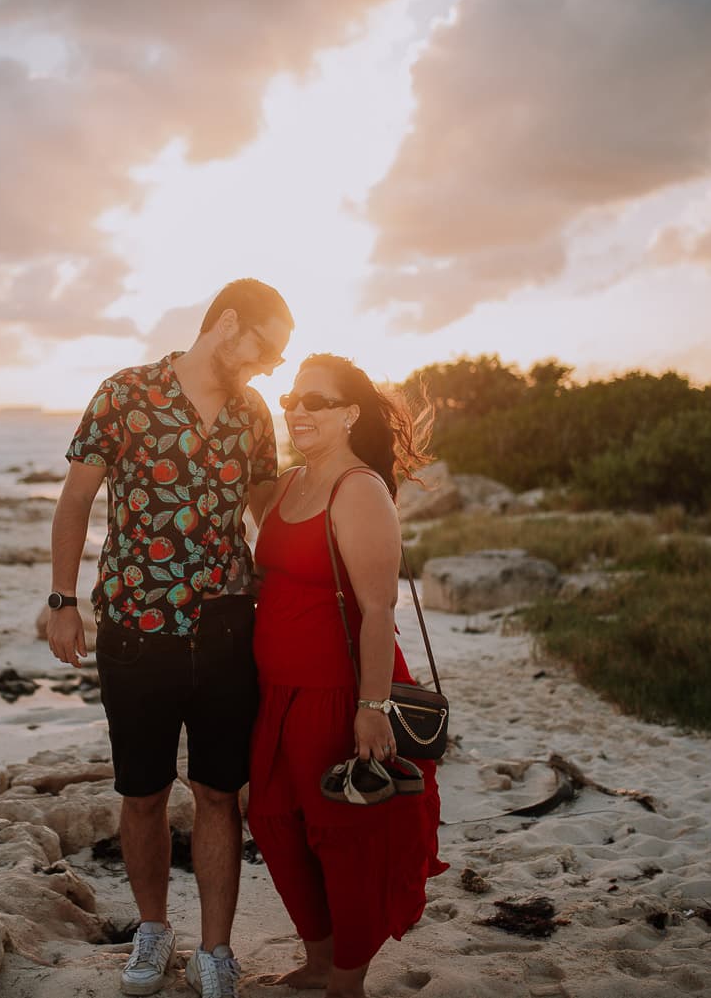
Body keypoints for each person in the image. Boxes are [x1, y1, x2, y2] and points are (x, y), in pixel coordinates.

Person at [48, 278, 294, 997]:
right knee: (144, 791)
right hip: (134, 627)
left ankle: (215, 949)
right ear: (225, 324)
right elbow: (75, 502)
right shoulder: (124, 393)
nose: (272, 366)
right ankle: (153, 930)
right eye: (267, 348)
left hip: (226, 628)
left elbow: (267, 514)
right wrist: (63, 601)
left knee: (220, 791)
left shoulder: (252, 413)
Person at [247, 353, 448, 998]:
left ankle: (348, 981)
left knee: (345, 834)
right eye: (290, 400)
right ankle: (320, 957)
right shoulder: (287, 484)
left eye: (316, 401)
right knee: (277, 823)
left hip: (340, 694)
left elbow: (378, 609)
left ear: (350, 413)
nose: (298, 411)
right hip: (276, 693)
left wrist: (372, 706)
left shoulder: (358, 490)